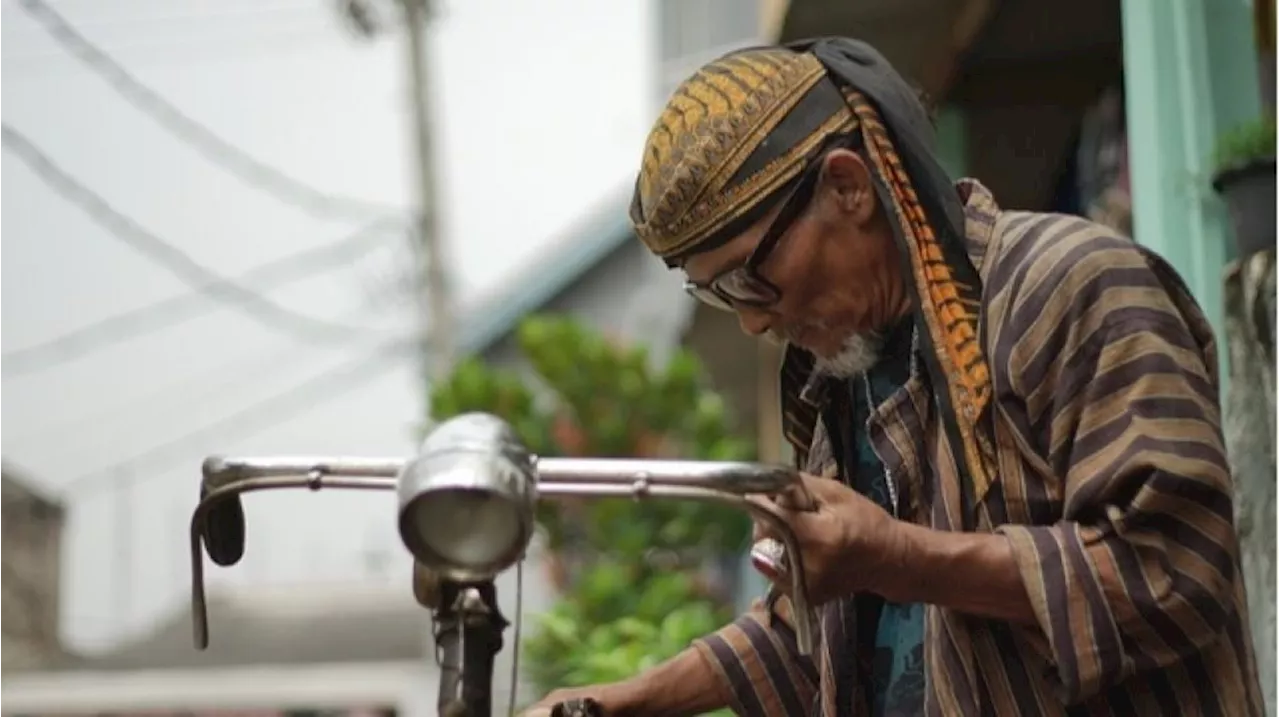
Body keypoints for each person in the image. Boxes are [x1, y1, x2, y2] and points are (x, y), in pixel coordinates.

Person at [526, 38, 1263, 716]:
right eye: (718, 296)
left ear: (848, 187)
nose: (751, 322)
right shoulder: (840, 376)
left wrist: (895, 556)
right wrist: (619, 701)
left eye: (751, 280)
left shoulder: (1072, 286)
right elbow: (813, 637)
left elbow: (1174, 570)